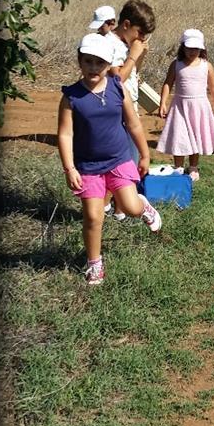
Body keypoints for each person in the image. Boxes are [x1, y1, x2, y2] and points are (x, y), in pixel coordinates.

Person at [57, 33, 162, 287]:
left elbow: (134, 124)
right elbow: (65, 133)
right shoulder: (71, 97)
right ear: (80, 62)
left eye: (100, 63)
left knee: (131, 208)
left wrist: (145, 154)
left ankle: (144, 206)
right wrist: (69, 168)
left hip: (118, 160)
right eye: (89, 61)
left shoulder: (117, 86)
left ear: (108, 64)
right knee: (93, 217)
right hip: (88, 167)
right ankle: (94, 263)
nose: (94, 68)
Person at [156, 28, 214, 180]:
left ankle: (193, 166)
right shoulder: (176, 64)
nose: (193, 51)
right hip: (179, 106)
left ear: (202, 48)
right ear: (183, 47)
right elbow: (168, 83)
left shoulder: (206, 65)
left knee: (196, 136)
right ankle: (179, 167)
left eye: (196, 48)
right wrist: (163, 102)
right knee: (179, 136)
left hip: (199, 107)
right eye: (189, 48)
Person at [107, 0, 156, 195]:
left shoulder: (126, 44)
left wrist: (139, 56)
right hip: (117, 109)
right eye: (140, 33)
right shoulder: (109, 44)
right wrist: (134, 55)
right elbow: (117, 79)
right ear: (126, 25)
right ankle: (117, 201)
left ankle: (123, 201)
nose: (141, 38)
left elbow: (133, 73)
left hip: (130, 106)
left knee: (131, 155)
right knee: (122, 157)